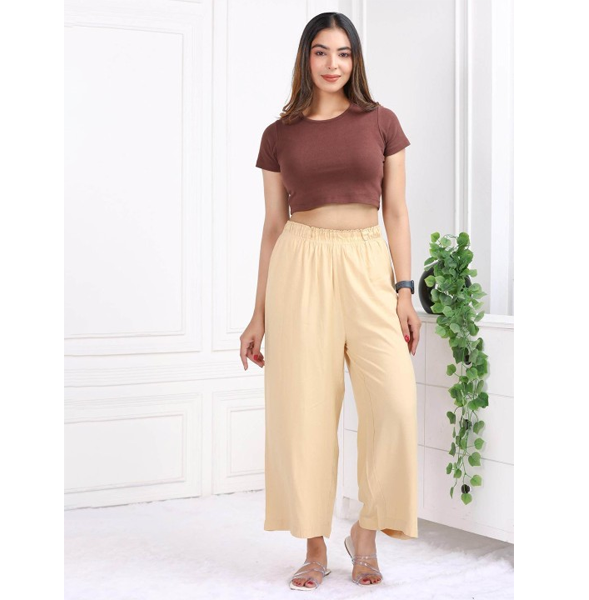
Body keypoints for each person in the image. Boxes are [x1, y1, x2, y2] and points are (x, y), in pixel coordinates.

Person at [239, 11, 421, 591]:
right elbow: (273, 226)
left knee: (395, 404)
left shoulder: (382, 122)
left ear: (355, 60)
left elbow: (396, 211)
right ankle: (315, 545)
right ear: (306, 58)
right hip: (300, 265)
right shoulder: (279, 134)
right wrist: (257, 314)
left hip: (369, 265)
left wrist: (404, 290)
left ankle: (364, 535)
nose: (332, 64)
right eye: (321, 52)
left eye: (343, 53)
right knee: (304, 413)